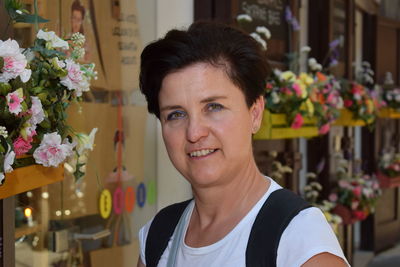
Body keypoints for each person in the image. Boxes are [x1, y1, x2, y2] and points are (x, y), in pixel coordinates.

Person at [137, 22, 349, 267]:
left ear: (255, 113)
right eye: (176, 114)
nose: (194, 132)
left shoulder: (298, 239)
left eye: (213, 107)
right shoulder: (159, 236)